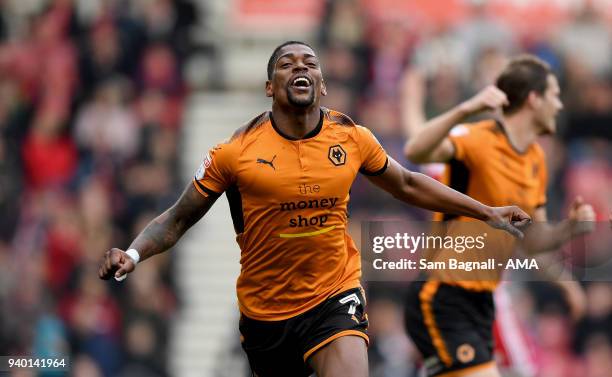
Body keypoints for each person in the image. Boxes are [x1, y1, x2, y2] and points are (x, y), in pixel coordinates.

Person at [98, 41, 530, 377]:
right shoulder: (235, 152)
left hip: (334, 295)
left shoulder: (352, 138)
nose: (300, 67)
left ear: (322, 84)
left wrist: (486, 212)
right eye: (286, 64)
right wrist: (133, 254)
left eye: (309, 62)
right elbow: (177, 218)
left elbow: (407, 183)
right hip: (267, 312)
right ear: (270, 87)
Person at [402, 55, 595, 377]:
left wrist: (569, 230)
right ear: (534, 99)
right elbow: (416, 151)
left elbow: (533, 242)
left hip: (482, 302)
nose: (560, 105)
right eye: (555, 95)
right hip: (443, 294)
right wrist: (464, 109)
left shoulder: (535, 159)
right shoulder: (477, 140)